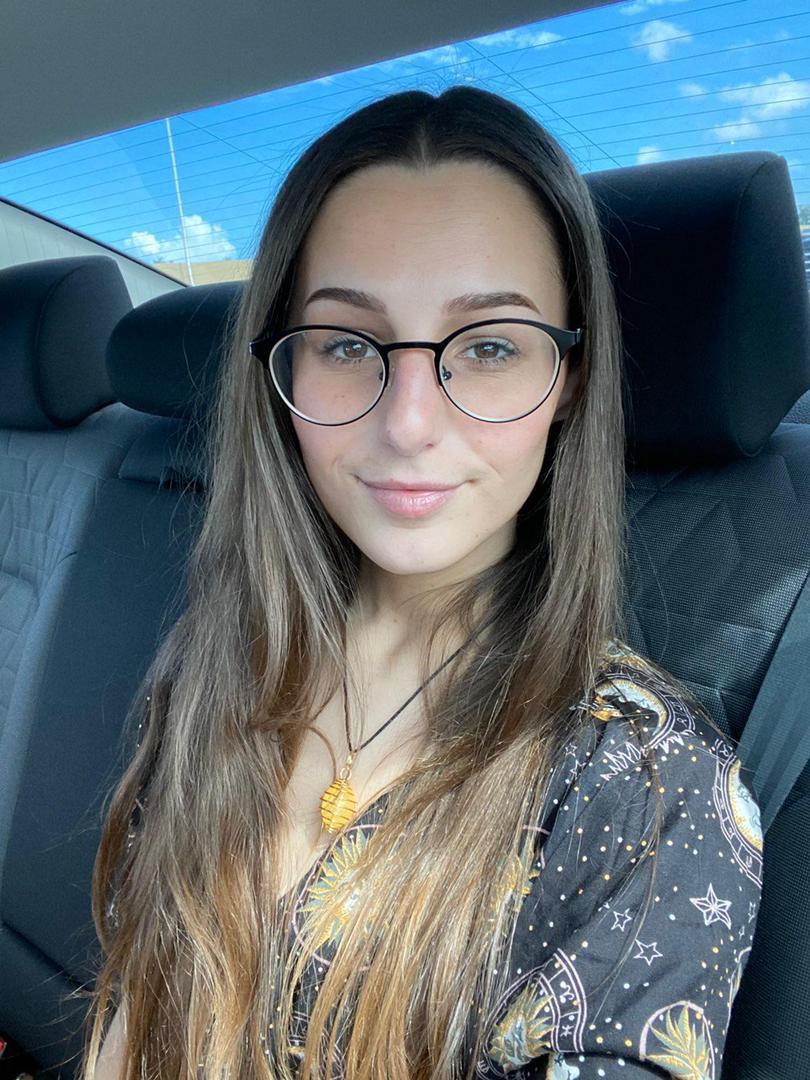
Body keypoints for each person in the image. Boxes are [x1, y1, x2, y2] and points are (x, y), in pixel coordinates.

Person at [83, 86, 763, 1080]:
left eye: (489, 347)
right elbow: (135, 1009)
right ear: (282, 372)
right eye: (346, 344)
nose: (407, 423)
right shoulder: (214, 657)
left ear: (569, 380)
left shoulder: (646, 792)